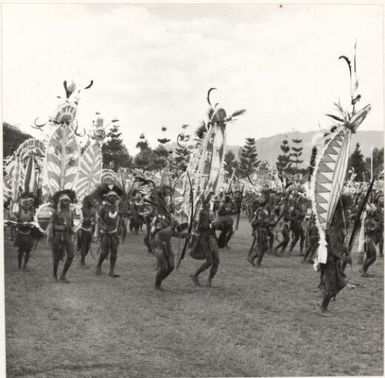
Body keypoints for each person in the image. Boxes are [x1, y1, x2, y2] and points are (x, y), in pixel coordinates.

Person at [318, 195, 352, 313]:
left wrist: (344, 249)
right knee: (331, 288)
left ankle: (324, 301)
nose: (347, 216)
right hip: (329, 261)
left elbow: (338, 245)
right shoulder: (332, 227)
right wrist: (343, 257)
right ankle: (323, 307)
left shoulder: (340, 227)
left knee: (341, 284)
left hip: (335, 260)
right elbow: (331, 248)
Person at [46, 190, 77, 283]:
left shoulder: (71, 213)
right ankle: (54, 275)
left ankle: (63, 275)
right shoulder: (56, 212)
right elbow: (51, 226)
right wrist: (60, 227)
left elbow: (71, 225)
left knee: (71, 255)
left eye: (68, 200)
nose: (66, 202)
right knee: (56, 257)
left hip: (67, 236)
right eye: (64, 200)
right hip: (58, 237)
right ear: (60, 202)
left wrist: (72, 230)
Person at [94, 184, 124, 278]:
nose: (112, 198)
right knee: (105, 252)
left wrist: (119, 228)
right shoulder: (103, 207)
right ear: (107, 198)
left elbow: (117, 219)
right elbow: (98, 219)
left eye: (114, 196)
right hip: (105, 233)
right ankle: (99, 265)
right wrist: (102, 228)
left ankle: (111, 271)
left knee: (114, 252)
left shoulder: (116, 207)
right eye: (110, 196)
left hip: (114, 233)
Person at [190, 195, 220, 287]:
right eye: (216, 202)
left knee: (216, 261)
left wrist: (217, 224)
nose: (218, 204)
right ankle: (195, 275)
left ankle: (209, 282)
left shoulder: (214, 212)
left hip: (212, 238)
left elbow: (217, 225)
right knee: (209, 261)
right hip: (205, 239)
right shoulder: (203, 211)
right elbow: (199, 226)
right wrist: (211, 225)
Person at [248, 192, 275, 267]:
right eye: (261, 198)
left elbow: (267, 220)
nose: (260, 199)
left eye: (262, 198)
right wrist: (268, 222)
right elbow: (257, 222)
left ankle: (256, 261)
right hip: (260, 230)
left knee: (265, 247)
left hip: (264, 230)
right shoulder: (260, 210)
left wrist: (270, 221)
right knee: (261, 247)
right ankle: (252, 259)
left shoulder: (265, 209)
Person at [15, 193, 36, 270]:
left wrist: (31, 224)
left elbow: (34, 222)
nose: (27, 206)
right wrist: (21, 223)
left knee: (28, 251)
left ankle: (24, 266)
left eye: (28, 205)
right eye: (25, 205)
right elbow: (16, 222)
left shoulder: (31, 213)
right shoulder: (20, 212)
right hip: (21, 233)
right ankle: (19, 265)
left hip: (28, 233)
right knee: (20, 251)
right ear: (23, 205)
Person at [77, 194, 97, 267]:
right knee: (83, 246)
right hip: (83, 229)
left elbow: (95, 219)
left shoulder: (93, 209)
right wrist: (89, 219)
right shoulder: (82, 209)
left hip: (90, 230)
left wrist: (94, 220)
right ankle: (82, 262)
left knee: (87, 247)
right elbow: (80, 219)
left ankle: (82, 260)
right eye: (91, 200)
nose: (92, 201)